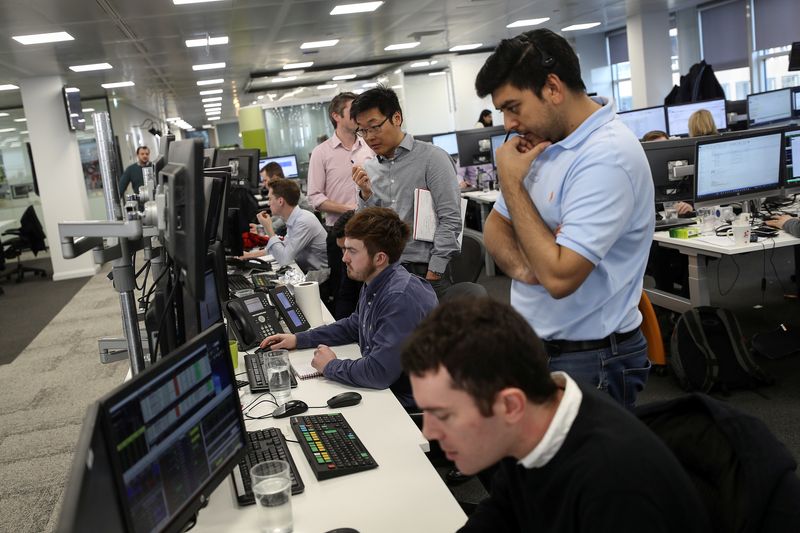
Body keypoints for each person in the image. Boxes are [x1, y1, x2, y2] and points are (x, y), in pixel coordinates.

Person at [401, 298, 710, 533]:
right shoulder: (529, 429)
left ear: (510, 406)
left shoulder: (615, 488)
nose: (429, 431)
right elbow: (500, 515)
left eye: (443, 414)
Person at [475, 29, 653, 408]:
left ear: (553, 88)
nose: (507, 123)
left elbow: (558, 278)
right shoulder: (542, 144)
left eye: (513, 106)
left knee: (587, 468)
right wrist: (530, 267)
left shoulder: (607, 157)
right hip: (537, 347)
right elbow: (494, 229)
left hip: (592, 359)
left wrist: (511, 182)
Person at [260, 207, 437, 408]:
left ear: (379, 258)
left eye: (352, 251)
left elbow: (379, 373)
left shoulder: (400, 298)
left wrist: (330, 366)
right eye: (345, 249)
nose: (344, 258)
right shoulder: (376, 281)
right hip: (389, 390)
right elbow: (354, 325)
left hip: (408, 404)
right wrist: (298, 339)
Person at [350, 85, 463, 299]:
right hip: (385, 271)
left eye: (374, 127)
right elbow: (365, 227)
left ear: (396, 118)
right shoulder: (370, 168)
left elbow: (450, 219)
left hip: (424, 269)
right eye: (362, 131)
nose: (369, 137)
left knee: (429, 333)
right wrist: (365, 196)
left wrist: (435, 270)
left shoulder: (432, 158)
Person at [308, 92, 374, 227]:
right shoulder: (320, 153)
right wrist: (350, 210)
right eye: (353, 110)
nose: (358, 114)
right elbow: (315, 197)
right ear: (336, 116)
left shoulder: (370, 146)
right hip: (339, 228)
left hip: (371, 225)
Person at [242, 179, 328, 274]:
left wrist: (269, 228)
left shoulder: (303, 222)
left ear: (280, 201)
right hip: (308, 272)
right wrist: (249, 255)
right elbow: (280, 248)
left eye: (270, 199)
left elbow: (284, 259)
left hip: (321, 278)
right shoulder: (295, 218)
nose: (268, 203)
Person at [329, 210, 363, 319]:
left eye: (349, 249)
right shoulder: (348, 260)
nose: (344, 258)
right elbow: (346, 296)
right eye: (342, 249)